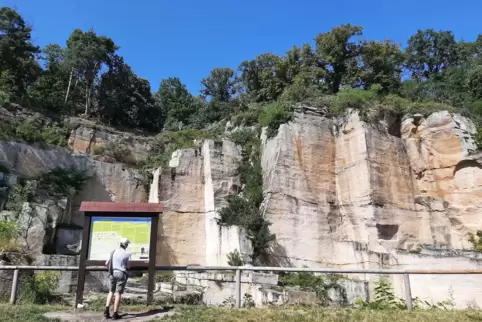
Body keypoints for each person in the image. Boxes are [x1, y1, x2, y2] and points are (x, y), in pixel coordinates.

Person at [104, 238, 131, 320]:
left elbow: (106, 263)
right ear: (126, 245)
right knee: (118, 293)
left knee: (111, 291)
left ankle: (106, 311)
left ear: (120, 244)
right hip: (121, 274)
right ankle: (115, 314)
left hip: (112, 273)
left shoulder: (113, 251)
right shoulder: (127, 254)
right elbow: (129, 266)